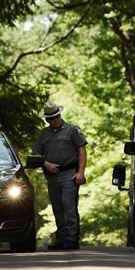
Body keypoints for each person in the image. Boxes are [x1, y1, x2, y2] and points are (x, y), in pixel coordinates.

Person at [33, 101, 87, 250]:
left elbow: (82, 151)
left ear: (60, 115)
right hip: (52, 176)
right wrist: (45, 163)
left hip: (69, 173)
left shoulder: (72, 130)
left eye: (56, 117)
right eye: (50, 118)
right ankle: (61, 239)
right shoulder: (44, 134)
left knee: (69, 205)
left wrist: (80, 172)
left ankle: (71, 239)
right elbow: (37, 153)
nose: (54, 120)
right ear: (47, 120)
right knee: (57, 208)